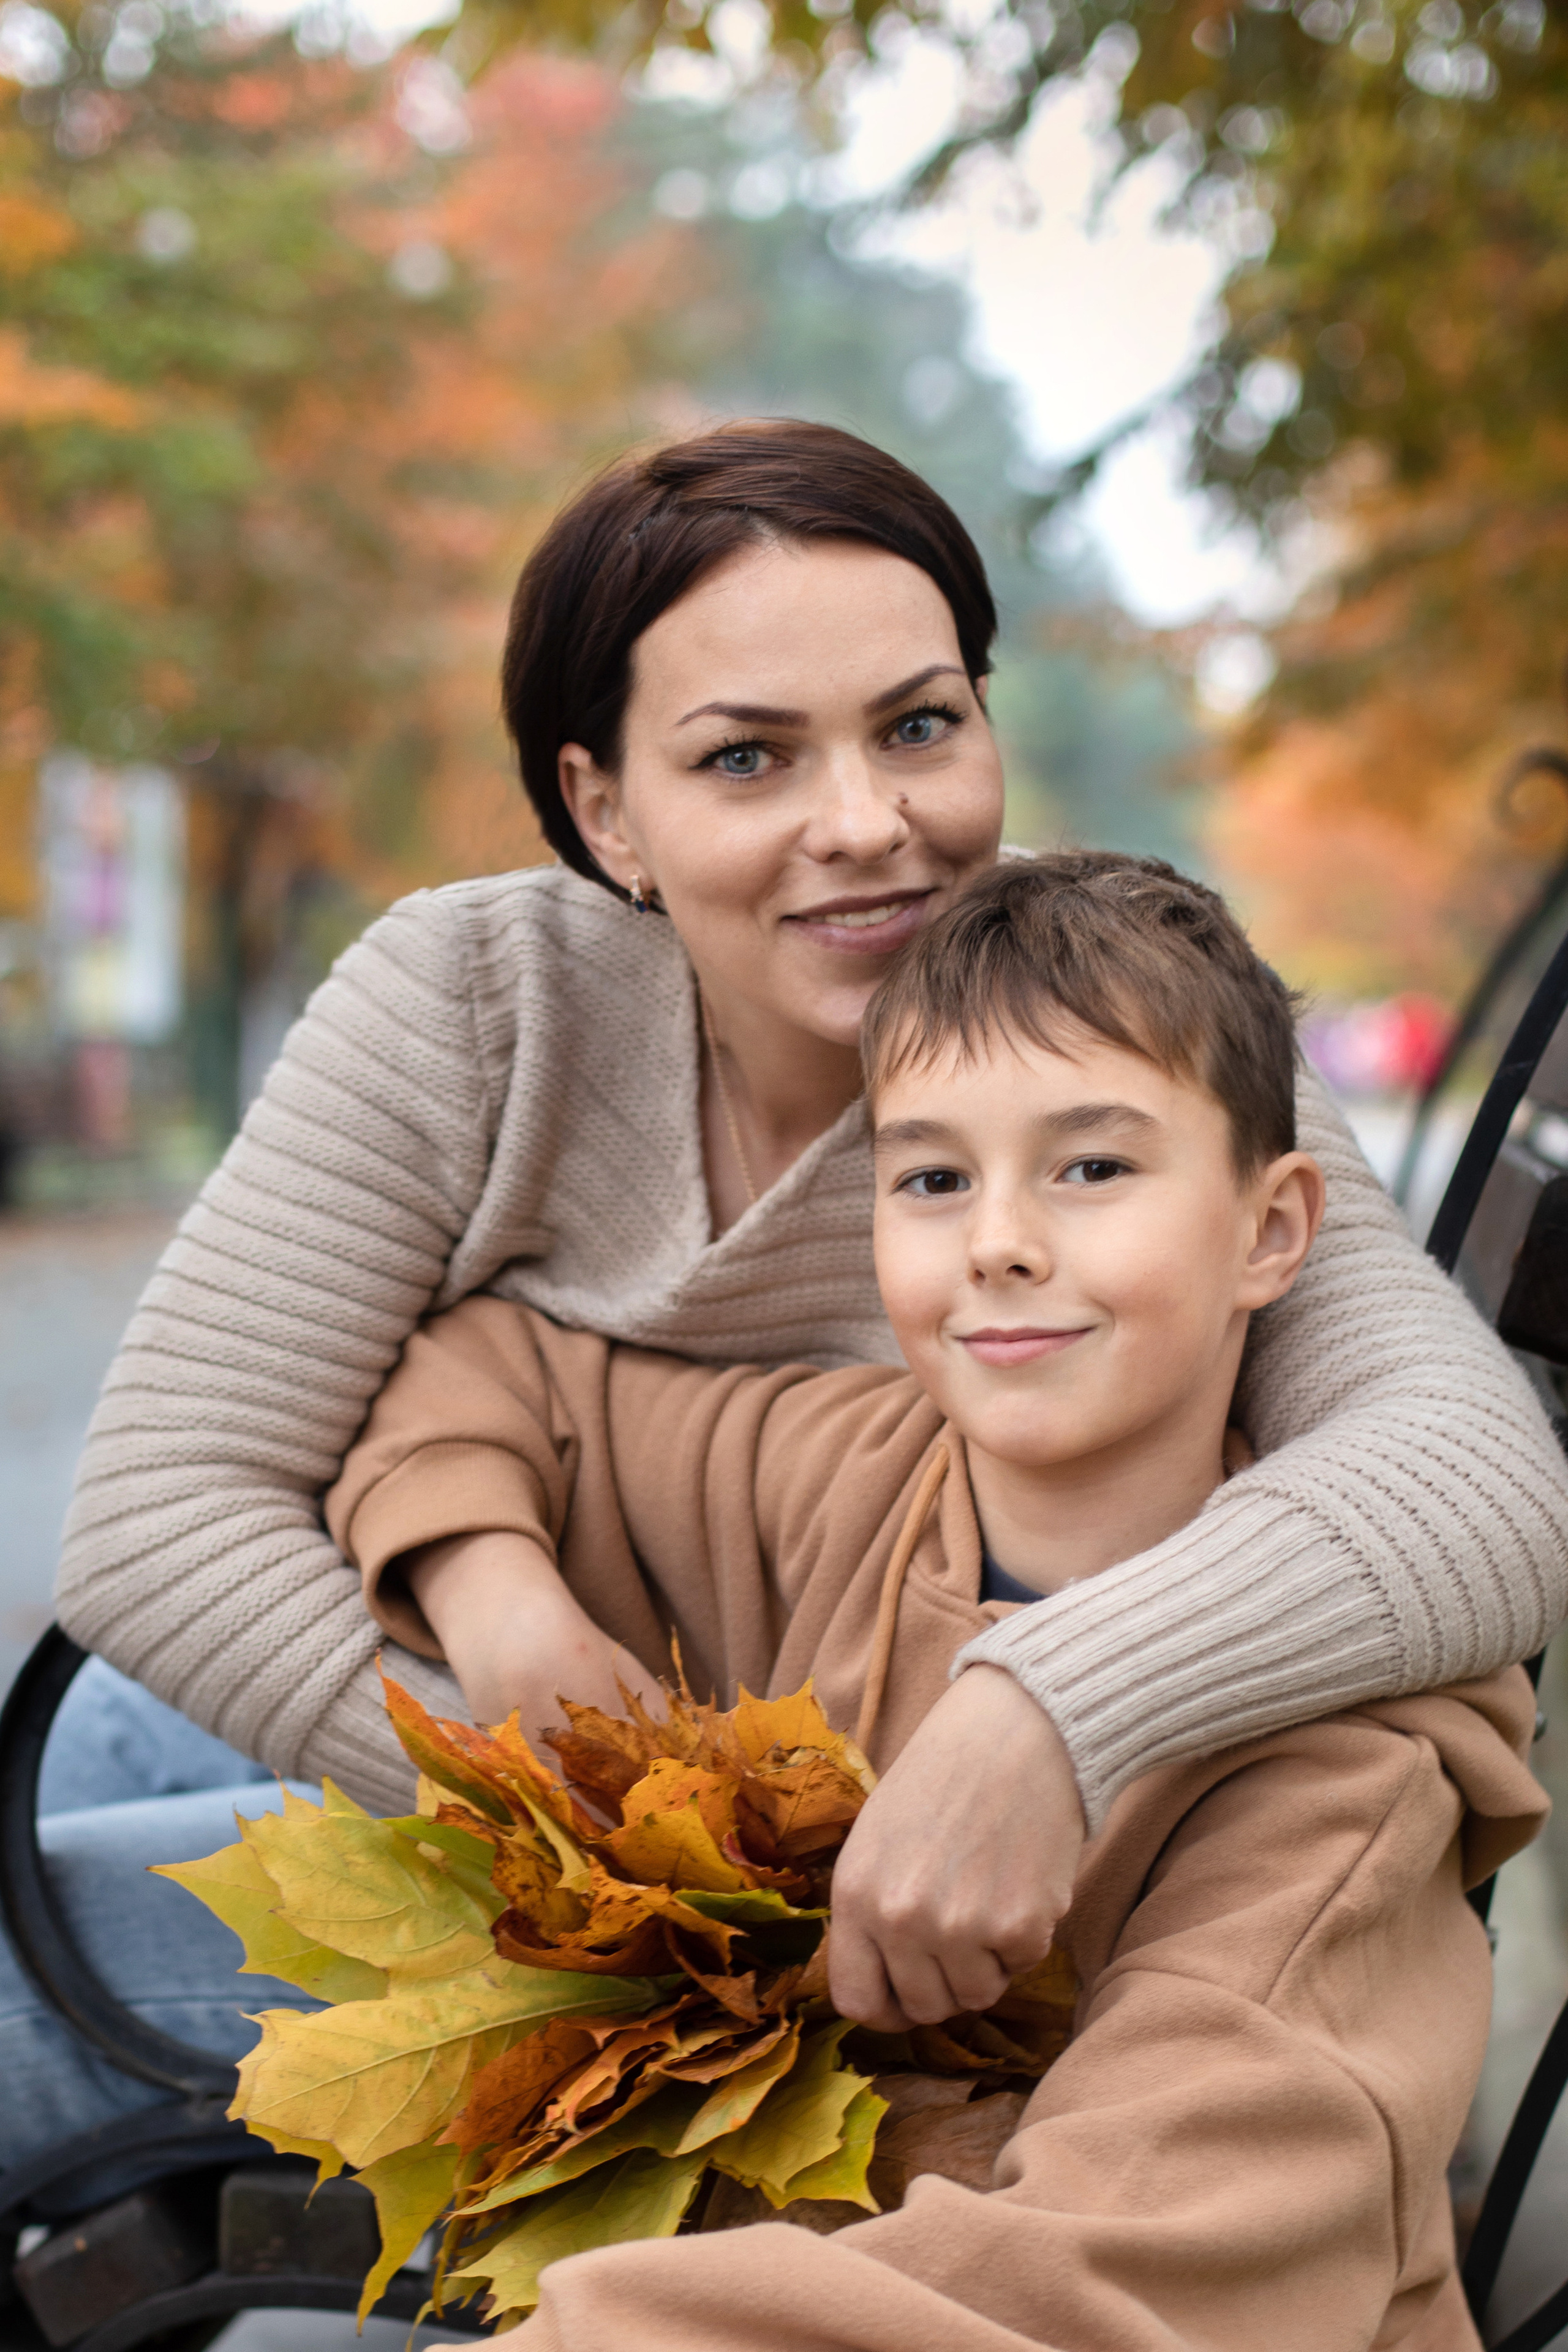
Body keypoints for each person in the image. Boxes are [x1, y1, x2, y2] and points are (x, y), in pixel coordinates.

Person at [21, 420, 1567, 2173]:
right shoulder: (475, 1003)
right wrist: (498, 1625)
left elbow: (1479, 1486)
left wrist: (1048, 1709)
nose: (870, 827)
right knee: (76, 1806)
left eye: (920, 726)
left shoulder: (1110, 1036)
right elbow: (159, 1519)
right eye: (749, 758)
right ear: (608, 808)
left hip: (798, 1910)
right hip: (403, 1703)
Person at [325, 854, 1546, 2350]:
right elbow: (484, 1370)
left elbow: (1096, 2288)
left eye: (1091, 1167)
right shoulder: (852, 1463)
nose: (997, 1242)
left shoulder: (1336, 1782)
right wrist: (499, 1596)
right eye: (932, 1178)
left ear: (1273, 1232)